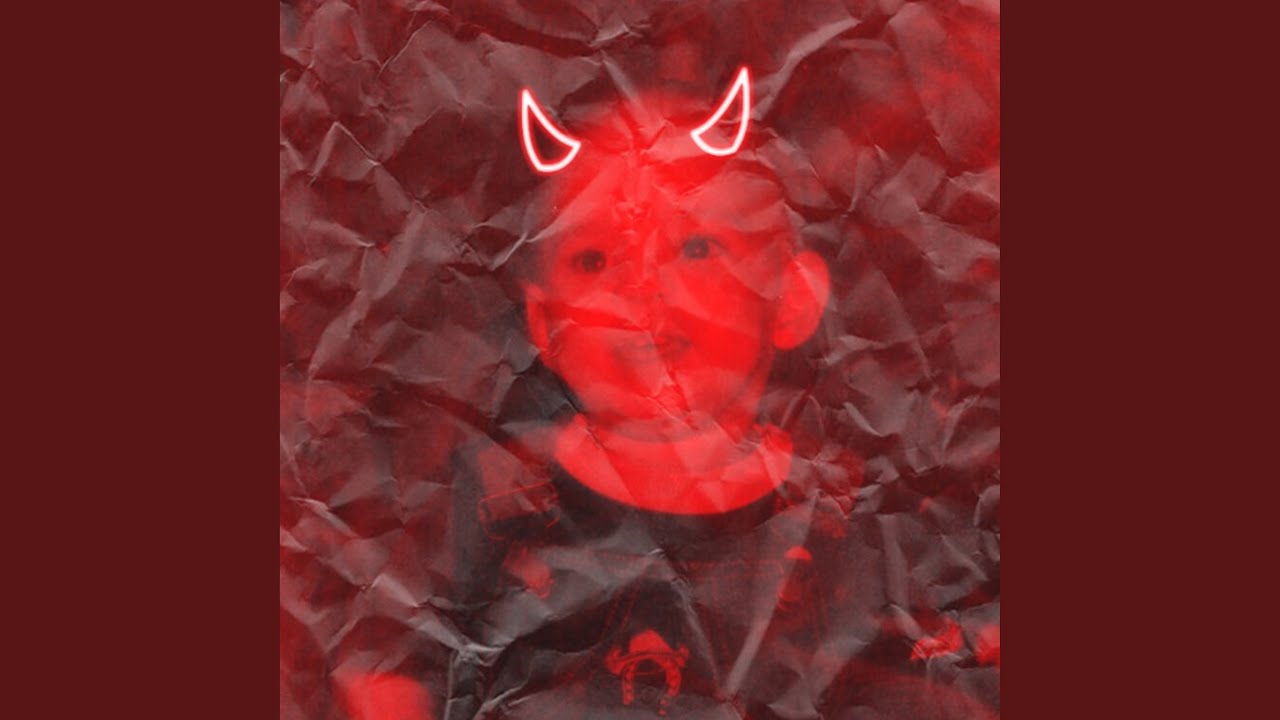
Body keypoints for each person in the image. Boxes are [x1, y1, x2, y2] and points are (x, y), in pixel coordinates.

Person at [344, 77, 998, 720]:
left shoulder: (846, 516)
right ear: (546, 326)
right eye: (595, 259)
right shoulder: (492, 500)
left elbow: (937, 660)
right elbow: (387, 667)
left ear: (792, 297)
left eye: (695, 246)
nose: (642, 286)